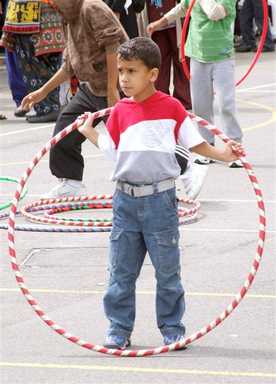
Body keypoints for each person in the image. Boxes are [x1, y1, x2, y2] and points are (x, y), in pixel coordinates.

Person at [77, 37, 244, 349]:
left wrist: (225, 154)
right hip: (125, 201)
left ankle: (171, 328)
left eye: (131, 71)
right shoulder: (119, 113)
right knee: (120, 273)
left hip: (160, 201)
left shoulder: (171, 108)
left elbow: (199, 146)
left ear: (152, 74)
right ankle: (118, 328)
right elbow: (115, 154)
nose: (123, 78)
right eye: (121, 71)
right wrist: (91, 134)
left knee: (168, 272)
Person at [21, 0, 128, 198]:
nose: (53, 5)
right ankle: (71, 182)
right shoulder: (70, 18)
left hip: (119, 86)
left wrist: (113, 89)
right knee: (64, 131)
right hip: (90, 88)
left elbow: (113, 47)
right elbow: (69, 66)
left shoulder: (91, 7)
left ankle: (183, 167)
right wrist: (43, 92)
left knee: (131, 139)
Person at [147, 0, 244, 168]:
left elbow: (215, 14)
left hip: (222, 56)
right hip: (197, 55)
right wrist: (160, 22)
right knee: (200, 105)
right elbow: (183, 7)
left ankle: (234, 148)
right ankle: (207, 147)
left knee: (226, 104)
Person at [1, 0, 65, 123]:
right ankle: (51, 106)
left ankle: (47, 108)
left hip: (29, 16)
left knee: (32, 65)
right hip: (50, 16)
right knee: (49, 64)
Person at [138, 0, 192, 110]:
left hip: (177, 18)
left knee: (182, 60)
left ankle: (184, 100)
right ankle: (160, 99)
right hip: (154, 19)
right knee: (157, 63)